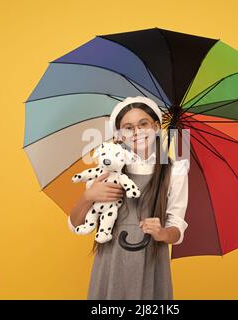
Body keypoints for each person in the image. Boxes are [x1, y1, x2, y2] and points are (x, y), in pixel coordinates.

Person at [68, 96, 189, 299]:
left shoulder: (175, 170)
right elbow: (75, 225)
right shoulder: (107, 170)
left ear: (157, 127)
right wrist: (89, 196)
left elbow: (176, 228)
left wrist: (162, 233)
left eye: (144, 124)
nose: (137, 132)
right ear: (119, 136)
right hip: (111, 261)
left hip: (152, 263)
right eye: (128, 127)